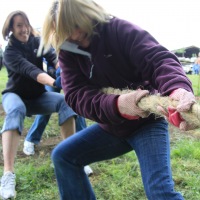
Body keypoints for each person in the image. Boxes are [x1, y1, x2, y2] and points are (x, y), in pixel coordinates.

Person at [40, 0, 196, 199]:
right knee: (63, 156)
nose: (74, 35)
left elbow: (158, 59)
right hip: (111, 126)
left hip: (147, 124)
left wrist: (177, 89)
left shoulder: (119, 30)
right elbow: (75, 95)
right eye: (66, 30)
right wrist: (117, 106)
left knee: (160, 192)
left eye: (77, 26)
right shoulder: (68, 49)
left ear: (88, 15)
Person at [0, 10, 77, 199]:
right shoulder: (10, 51)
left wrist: (60, 69)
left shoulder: (38, 42)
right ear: (11, 28)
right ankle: (8, 175)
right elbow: (31, 70)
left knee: (66, 102)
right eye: (18, 25)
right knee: (16, 109)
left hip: (37, 97)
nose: (24, 29)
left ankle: (73, 158)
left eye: (25, 24)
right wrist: (53, 82)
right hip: (14, 95)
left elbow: (53, 58)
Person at [23, 62, 93, 176]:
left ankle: (81, 155)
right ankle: (31, 139)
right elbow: (44, 56)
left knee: (75, 107)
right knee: (46, 109)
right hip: (51, 75)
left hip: (69, 74)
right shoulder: (46, 45)